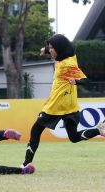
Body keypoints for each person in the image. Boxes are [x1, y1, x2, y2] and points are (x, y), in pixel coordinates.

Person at [21, 34, 105, 167]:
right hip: (70, 106)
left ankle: (26, 164)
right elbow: (61, 48)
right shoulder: (68, 56)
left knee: (35, 130)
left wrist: (75, 81)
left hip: (56, 105)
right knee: (74, 137)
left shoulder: (67, 64)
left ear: (59, 49)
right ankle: (99, 130)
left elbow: (86, 81)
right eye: (50, 48)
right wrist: (45, 49)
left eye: (52, 48)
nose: (50, 51)